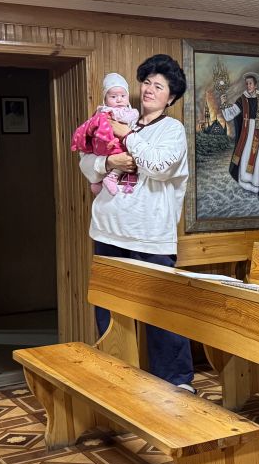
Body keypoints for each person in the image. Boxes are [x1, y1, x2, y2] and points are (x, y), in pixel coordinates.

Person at [79, 54, 194, 391]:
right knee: (109, 314)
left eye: (159, 86)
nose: (149, 89)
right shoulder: (116, 119)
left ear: (171, 97)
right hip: (107, 233)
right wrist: (108, 162)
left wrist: (127, 135)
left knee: (162, 312)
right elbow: (86, 162)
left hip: (150, 237)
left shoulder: (172, 130)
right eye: (146, 82)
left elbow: (159, 166)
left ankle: (177, 382)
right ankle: (117, 381)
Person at [71, 73, 139, 195]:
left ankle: (108, 182)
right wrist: (109, 161)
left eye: (123, 96)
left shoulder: (132, 118)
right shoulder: (103, 115)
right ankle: (105, 181)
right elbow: (85, 163)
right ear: (105, 100)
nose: (119, 99)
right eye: (113, 96)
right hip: (107, 147)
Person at [222, 72, 259, 200]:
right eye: (247, 84)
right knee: (247, 157)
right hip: (247, 134)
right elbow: (231, 113)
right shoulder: (242, 99)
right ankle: (248, 185)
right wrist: (224, 103)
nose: (248, 86)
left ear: (255, 85)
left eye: (250, 83)